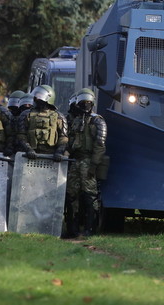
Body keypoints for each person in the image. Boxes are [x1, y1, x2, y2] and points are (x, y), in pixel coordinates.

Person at [66, 88, 107, 237]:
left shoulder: (98, 121)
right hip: (75, 160)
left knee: (90, 196)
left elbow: (100, 144)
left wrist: (94, 165)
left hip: (88, 161)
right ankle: (72, 230)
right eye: (83, 102)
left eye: (88, 102)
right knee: (72, 195)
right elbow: (70, 140)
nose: (85, 105)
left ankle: (90, 229)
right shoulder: (76, 120)